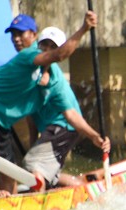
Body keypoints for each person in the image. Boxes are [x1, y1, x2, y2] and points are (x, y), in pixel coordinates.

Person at [0, 10, 96, 197]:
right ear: (38, 43)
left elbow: (69, 115)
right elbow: (58, 55)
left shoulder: (50, 79)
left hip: (5, 119)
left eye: (21, 33)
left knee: (11, 175)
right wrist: (84, 29)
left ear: (33, 35)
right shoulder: (28, 56)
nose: (16, 39)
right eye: (13, 34)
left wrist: (94, 136)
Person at [25, 27, 110, 188]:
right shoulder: (31, 71)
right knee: (47, 173)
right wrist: (33, 146)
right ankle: (80, 189)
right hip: (52, 128)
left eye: (53, 47)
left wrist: (94, 136)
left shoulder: (57, 83)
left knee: (33, 165)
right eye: (44, 45)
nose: (48, 51)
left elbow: (72, 116)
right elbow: (31, 117)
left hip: (65, 126)